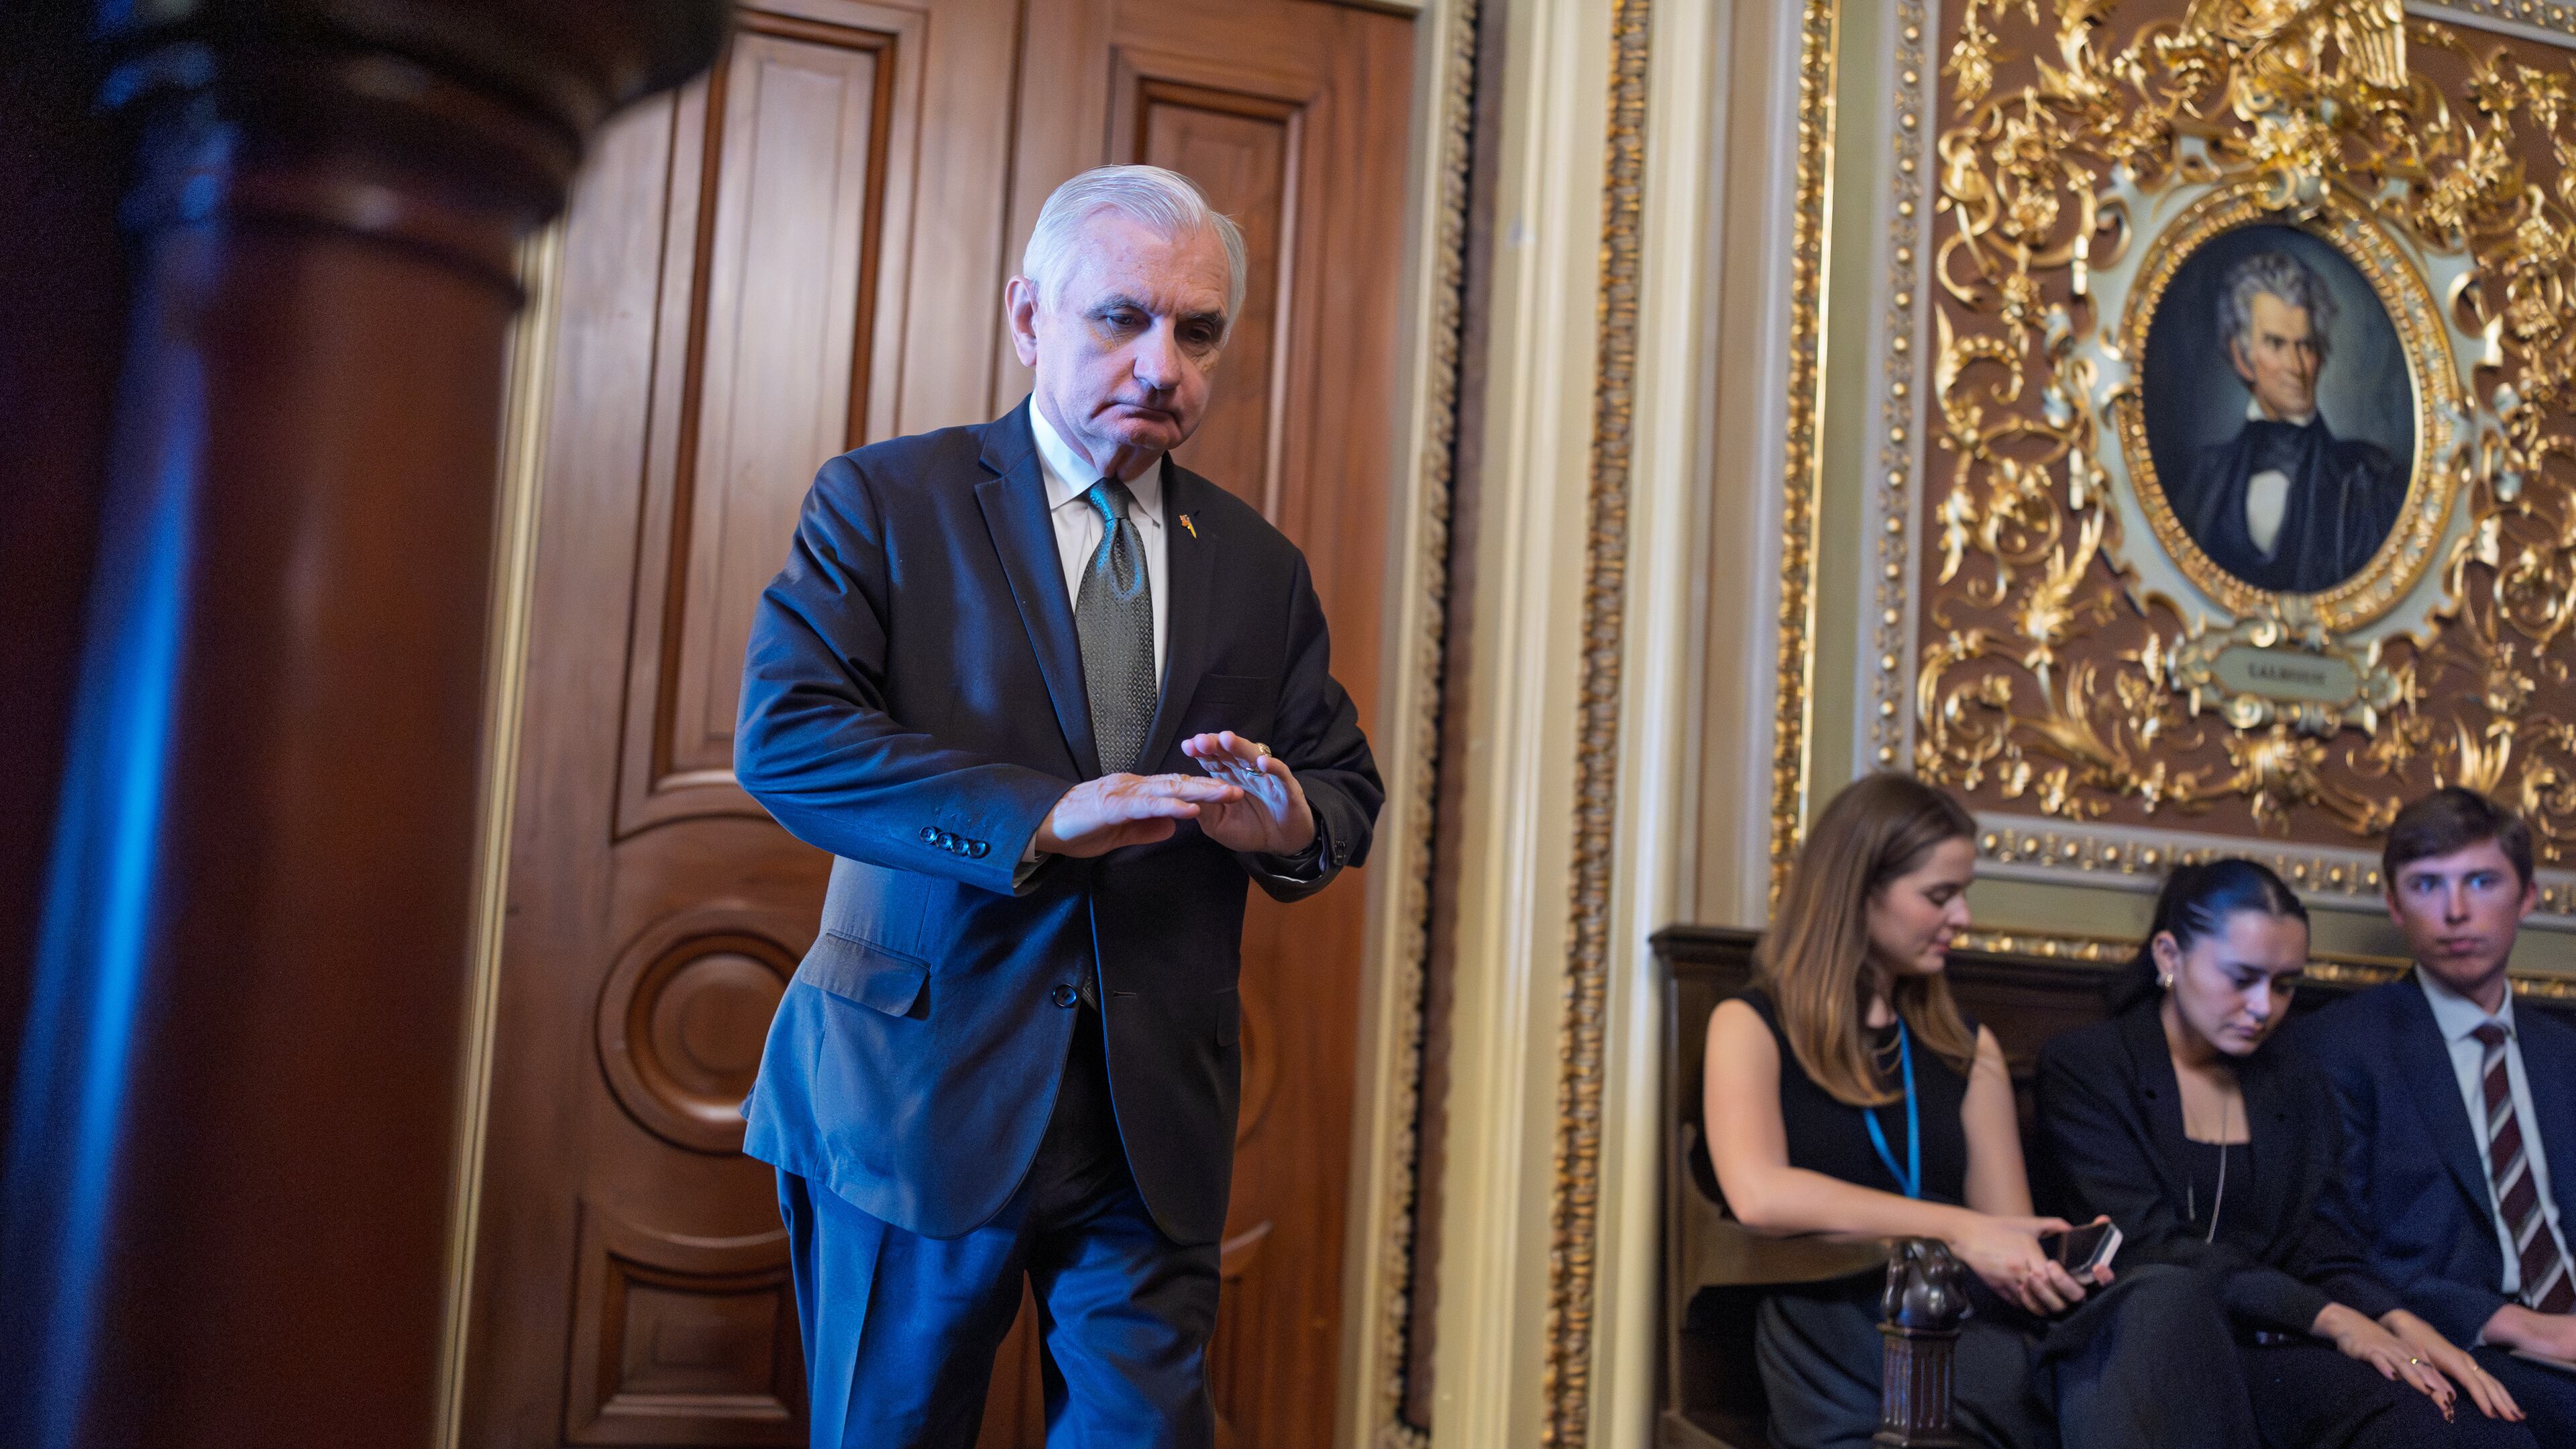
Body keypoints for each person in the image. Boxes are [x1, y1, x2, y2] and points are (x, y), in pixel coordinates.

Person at [732, 164, 1382, 1448]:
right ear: (1030, 318)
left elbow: (1341, 786)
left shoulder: (1257, 566)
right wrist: (1042, 819)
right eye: (1122, 318)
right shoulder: (887, 502)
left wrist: (1289, 823)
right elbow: (789, 741)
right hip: (913, 1100)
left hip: (1150, 1125)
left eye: (1198, 332)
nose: (1163, 365)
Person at [1703, 773, 2259, 1449]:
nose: (1963, 917)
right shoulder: (1751, 1023)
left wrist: (2039, 1259)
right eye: (1940, 896)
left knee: (2169, 1299)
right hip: (1838, 1309)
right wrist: (1962, 1231)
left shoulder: (1967, 1046)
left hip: (1964, 1315)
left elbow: (2001, 1229)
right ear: (1858, 890)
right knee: (2114, 1385)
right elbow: (1760, 1196)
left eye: (1962, 893)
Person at [2037, 859, 2529, 1447]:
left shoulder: (2292, 1077)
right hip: (2143, 1349)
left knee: (2448, 1419)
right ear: (2169, 956)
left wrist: (2396, 1321)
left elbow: (2318, 1240)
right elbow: (2144, 1243)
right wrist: (2332, 1319)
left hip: (2271, 1346)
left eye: (2285, 984)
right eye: (2241, 978)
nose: (2264, 1007)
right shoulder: (2088, 1067)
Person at [2298, 789, 2576, 1444]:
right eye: (2427, 885)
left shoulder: (2564, 1053)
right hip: (2459, 1341)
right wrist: (2522, 1327)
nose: (2455, 912)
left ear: (2528, 896)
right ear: (2395, 905)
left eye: (2481, 881)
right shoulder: (2341, 1046)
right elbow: (2333, 1246)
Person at [2174, 249, 2404, 593]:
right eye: (2276, 344)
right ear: (2242, 357)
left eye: (2306, 346)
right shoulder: (2203, 479)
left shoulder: (2368, 480)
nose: (2296, 367)